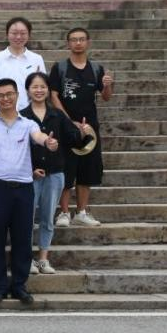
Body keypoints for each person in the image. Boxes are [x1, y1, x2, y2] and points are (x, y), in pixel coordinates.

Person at [0, 78, 60, 304]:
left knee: (22, 239)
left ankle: (19, 285)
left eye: (9, 94)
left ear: (17, 95)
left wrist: (47, 142)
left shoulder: (27, 123)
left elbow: (38, 136)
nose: (6, 98)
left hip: (23, 189)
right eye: (1, 95)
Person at [22, 72, 94, 275]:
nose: (39, 90)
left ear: (48, 90)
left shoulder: (58, 115)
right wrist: (29, 170)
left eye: (42, 87)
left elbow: (73, 140)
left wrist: (82, 133)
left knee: (47, 218)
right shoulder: (22, 116)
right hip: (29, 175)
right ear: (27, 90)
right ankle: (27, 259)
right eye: (34, 87)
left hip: (54, 174)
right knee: (26, 220)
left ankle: (43, 259)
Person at [49, 27, 115, 227]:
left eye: (81, 39)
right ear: (68, 43)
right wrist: (69, 122)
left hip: (89, 129)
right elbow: (53, 96)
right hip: (65, 127)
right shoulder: (60, 68)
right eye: (74, 39)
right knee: (66, 169)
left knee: (87, 169)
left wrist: (107, 85)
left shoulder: (96, 69)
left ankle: (82, 212)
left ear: (88, 42)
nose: (78, 43)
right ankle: (64, 212)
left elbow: (106, 97)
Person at [0, 17, 45, 111]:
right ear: (7, 34)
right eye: (14, 33)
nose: (18, 37)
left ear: (29, 35)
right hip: (3, 112)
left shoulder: (37, 59)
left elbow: (42, 87)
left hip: (31, 112)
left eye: (23, 33)